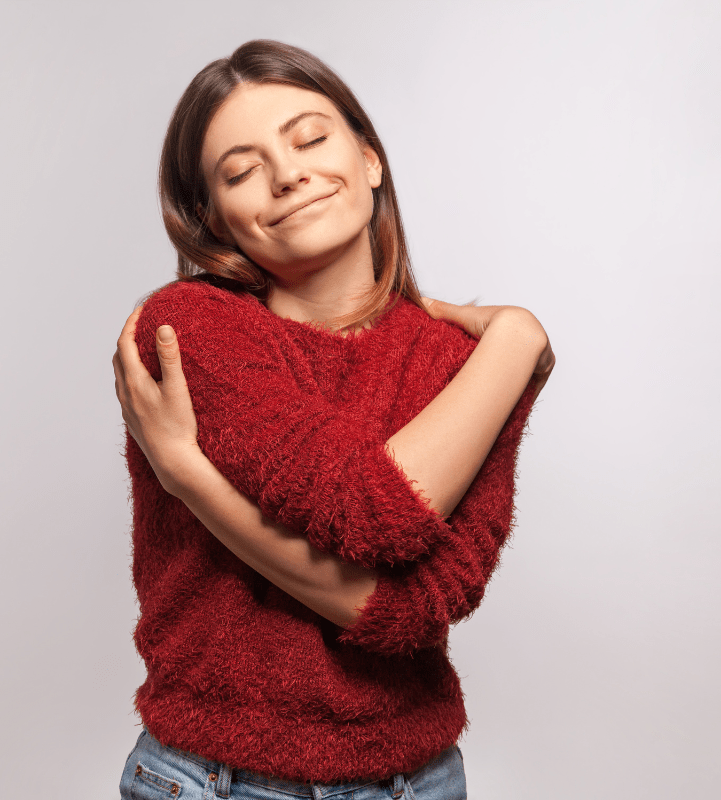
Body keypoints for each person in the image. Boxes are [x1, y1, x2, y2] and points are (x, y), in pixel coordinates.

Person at [111, 40, 554, 800]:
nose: (288, 174)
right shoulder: (187, 329)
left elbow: (426, 608)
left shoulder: (464, 361)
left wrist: (190, 479)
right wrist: (518, 338)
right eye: (241, 171)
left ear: (370, 159)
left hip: (414, 782)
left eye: (310, 137)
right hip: (214, 781)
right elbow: (377, 512)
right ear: (213, 218)